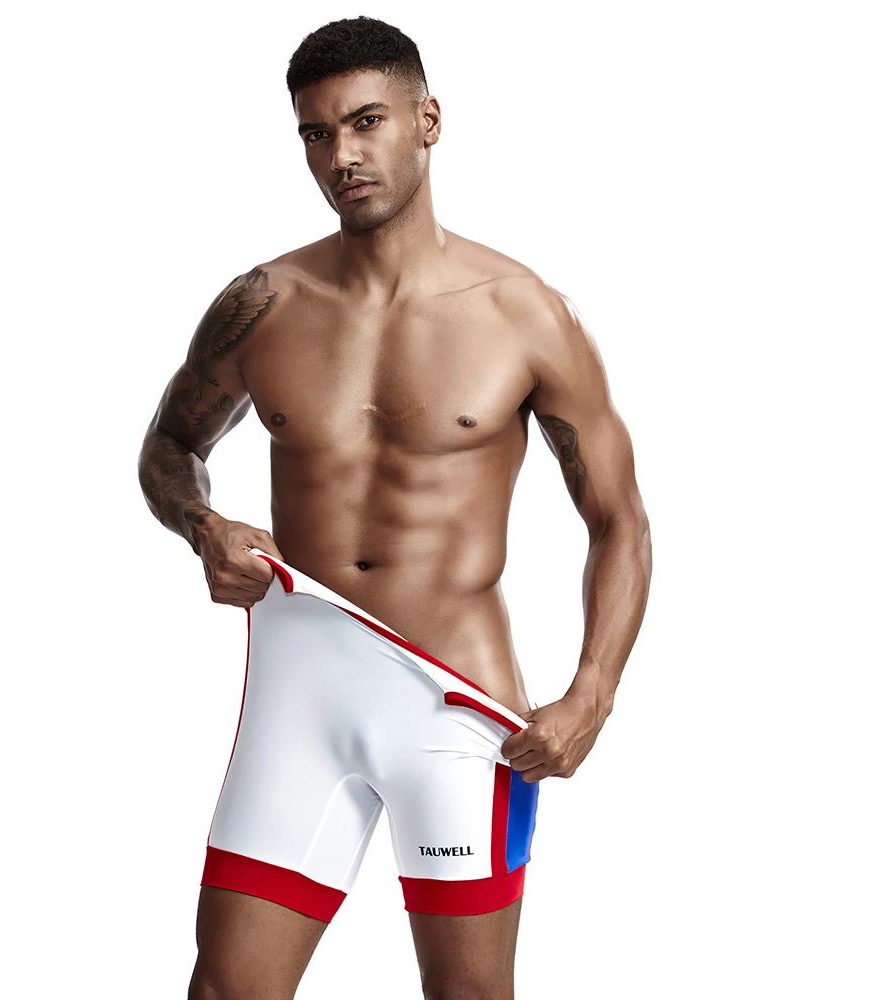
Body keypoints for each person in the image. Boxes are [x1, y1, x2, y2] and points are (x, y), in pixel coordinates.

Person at [137, 15, 651, 1000]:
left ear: (428, 121)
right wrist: (205, 527)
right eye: (316, 133)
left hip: (457, 706)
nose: (342, 155)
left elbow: (619, 519)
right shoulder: (262, 305)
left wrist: (592, 692)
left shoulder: (524, 313)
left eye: (366, 122)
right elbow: (169, 448)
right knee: (226, 990)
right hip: (298, 690)